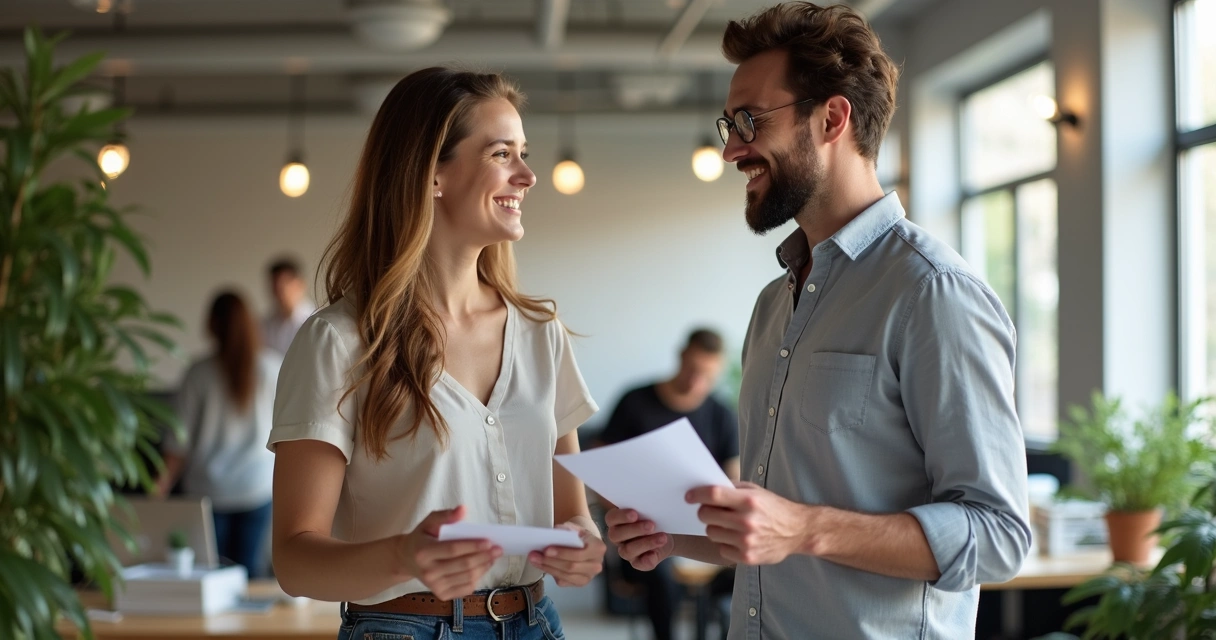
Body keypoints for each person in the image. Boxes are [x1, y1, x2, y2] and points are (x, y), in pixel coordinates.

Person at [606, 4, 1031, 639]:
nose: (731, 149)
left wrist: (806, 527)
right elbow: (772, 529)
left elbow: (998, 536)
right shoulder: (772, 305)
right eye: (729, 123)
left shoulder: (933, 293)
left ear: (832, 118)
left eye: (750, 120)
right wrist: (676, 534)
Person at [267, 67, 606, 640]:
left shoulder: (540, 333)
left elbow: (572, 514)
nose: (527, 176)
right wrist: (404, 555)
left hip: (535, 623)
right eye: (502, 154)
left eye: (523, 154)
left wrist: (583, 543)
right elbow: (295, 560)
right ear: (432, 175)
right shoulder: (339, 341)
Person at [598, 328, 739, 640]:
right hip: (645, 528)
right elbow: (600, 469)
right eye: (693, 370)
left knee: (746, 569)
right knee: (658, 570)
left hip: (704, 529)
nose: (696, 382)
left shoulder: (721, 414)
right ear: (681, 356)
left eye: (707, 376)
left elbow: (734, 480)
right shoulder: (635, 401)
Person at [155, 291, 281, 577]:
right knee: (249, 575)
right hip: (257, 487)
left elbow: (178, 442)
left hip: (207, 492)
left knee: (211, 574)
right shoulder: (272, 368)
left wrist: (158, 489)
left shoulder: (198, 374)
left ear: (212, 324)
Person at [262, 257, 315, 355]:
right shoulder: (266, 323)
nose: (280, 290)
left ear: (300, 284)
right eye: (275, 285)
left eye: (285, 283)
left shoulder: (313, 320)